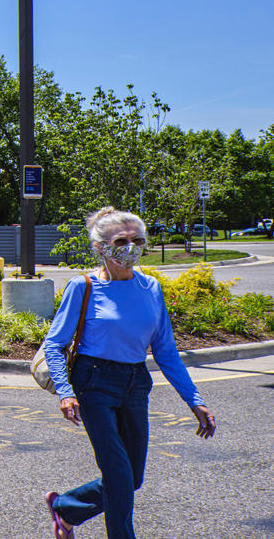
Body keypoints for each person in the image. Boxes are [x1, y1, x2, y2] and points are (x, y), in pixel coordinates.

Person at [40, 206, 216, 539]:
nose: (130, 247)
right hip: (93, 384)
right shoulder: (84, 287)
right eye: (121, 240)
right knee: (118, 474)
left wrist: (195, 400)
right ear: (100, 247)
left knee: (132, 478)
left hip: (135, 383)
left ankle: (66, 507)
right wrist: (65, 392)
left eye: (137, 240)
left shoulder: (150, 287)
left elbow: (165, 351)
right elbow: (54, 344)